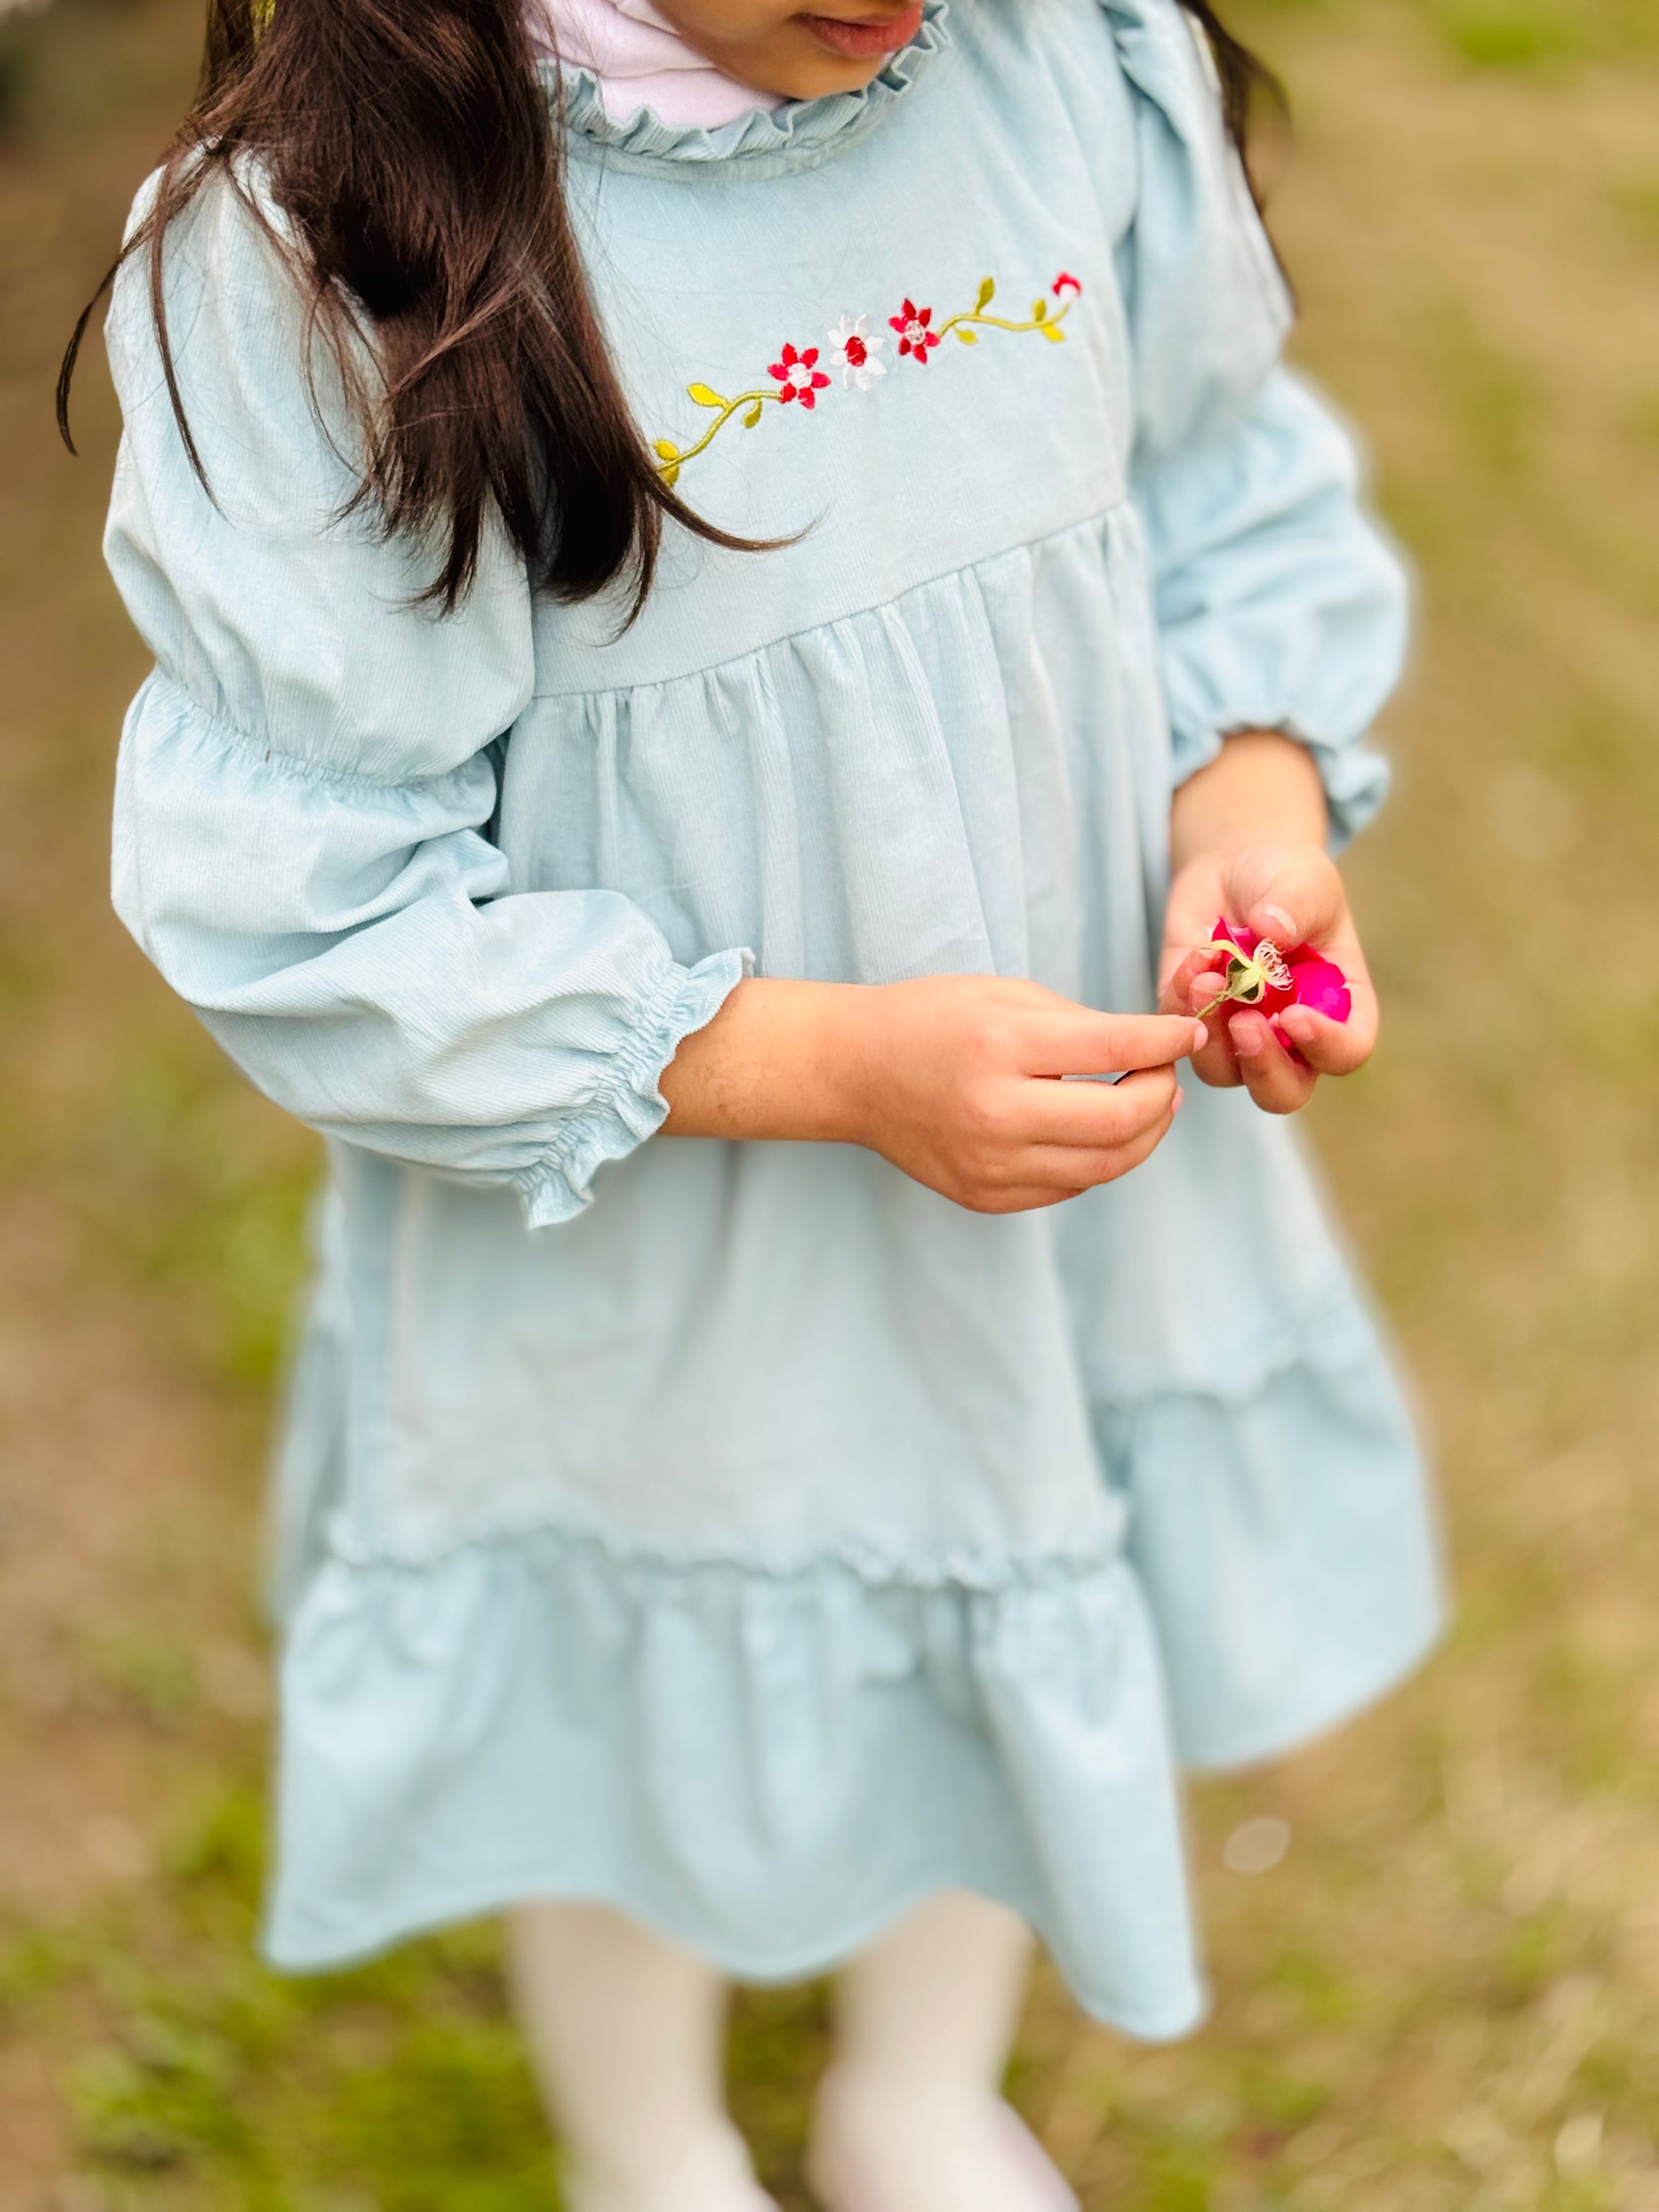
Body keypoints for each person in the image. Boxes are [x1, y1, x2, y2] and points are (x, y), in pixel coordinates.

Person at [81, 0, 1444, 2202]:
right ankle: (652, 2145)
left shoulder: (1056, 64)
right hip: (656, 1203)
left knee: (998, 1527)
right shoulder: (337, 247)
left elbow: (1209, 479)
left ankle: (916, 2092)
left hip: (1031, 1145)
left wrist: (1253, 791)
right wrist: (817, 1061)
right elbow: (310, 887)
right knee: (644, 1660)